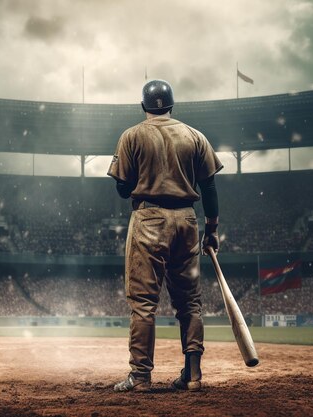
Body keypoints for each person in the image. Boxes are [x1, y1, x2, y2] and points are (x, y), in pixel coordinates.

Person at [108, 79, 222, 392]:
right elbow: (209, 187)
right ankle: (193, 375)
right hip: (187, 219)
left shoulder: (131, 135)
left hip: (148, 218)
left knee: (144, 304)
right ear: (172, 104)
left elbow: (120, 188)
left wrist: (144, 180)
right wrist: (211, 229)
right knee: (190, 303)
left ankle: (141, 377)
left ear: (143, 106)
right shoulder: (194, 135)